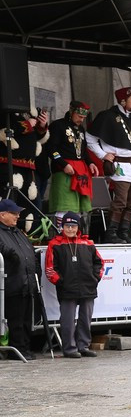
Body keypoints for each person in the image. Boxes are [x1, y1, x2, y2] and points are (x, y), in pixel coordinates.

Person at [86, 86, 131, 243]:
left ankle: (123, 232)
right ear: (123, 101)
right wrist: (103, 155)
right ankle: (111, 233)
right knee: (120, 201)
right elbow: (89, 138)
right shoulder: (107, 116)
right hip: (120, 167)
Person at [43, 213, 104, 358]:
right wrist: (60, 282)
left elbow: (100, 263)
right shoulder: (55, 244)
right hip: (67, 289)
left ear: (78, 227)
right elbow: (50, 269)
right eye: (67, 226)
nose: (70, 229)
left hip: (88, 288)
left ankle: (83, 346)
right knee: (67, 321)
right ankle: (69, 349)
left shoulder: (88, 243)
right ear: (62, 227)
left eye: (73, 226)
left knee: (85, 319)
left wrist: (95, 278)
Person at [45, 101, 98, 221]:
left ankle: (76, 236)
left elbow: (83, 151)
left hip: (81, 171)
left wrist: (90, 163)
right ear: (71, 112)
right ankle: (61, 236)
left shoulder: (81, 129)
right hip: (64, 171)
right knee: (65, 205)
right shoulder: (58, 126)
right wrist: (63, 164)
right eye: (79, 116)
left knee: (78, 207)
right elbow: (50, 148)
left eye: (84, 117)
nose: (82, 120)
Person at [0, 198, 39, 360]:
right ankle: (17, 350)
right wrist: (9, 252)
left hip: (27, 282)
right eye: (13, 213)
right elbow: (6, 251)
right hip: (11, 283)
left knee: (25, 319)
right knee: (15, 320)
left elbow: (29, 253)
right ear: (2, 215)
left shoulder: (18, 232)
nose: (17, 216)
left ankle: (25, 348)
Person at [2, 108, 48, 215]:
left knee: (28, 204)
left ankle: (24, 230)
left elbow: (36, 136)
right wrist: (27, 124)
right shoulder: (5, 111)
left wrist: (41, 126)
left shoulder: (30, 111)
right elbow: (5, 131)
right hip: (9, 164)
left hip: (28, 166)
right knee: (9, 201)